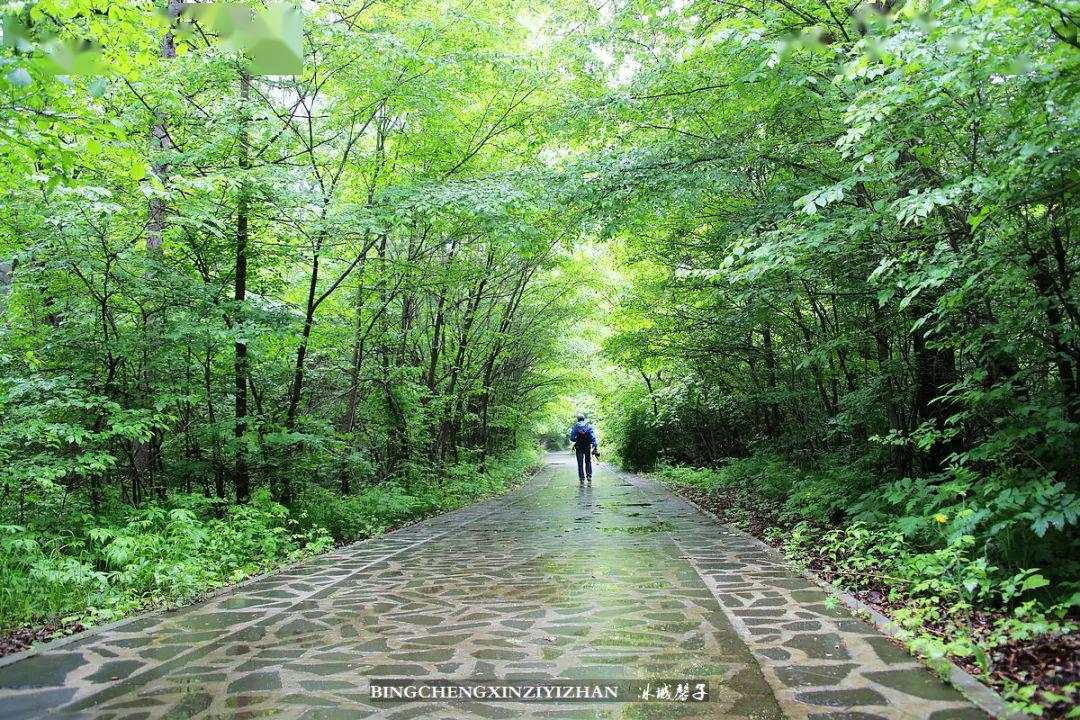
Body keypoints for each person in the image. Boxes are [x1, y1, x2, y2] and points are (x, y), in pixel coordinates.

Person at [569, 414, 599, 484]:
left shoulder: (576, 426)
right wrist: (595, 445)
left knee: (580, 463)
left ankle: (582, 478)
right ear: (584, 419)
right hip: (587, 446)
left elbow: (571, 438)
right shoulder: (588, 426)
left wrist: (576, 439)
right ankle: (589, 476)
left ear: (578, 419)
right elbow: (593, 437)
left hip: (579, 447)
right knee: (588, 461)